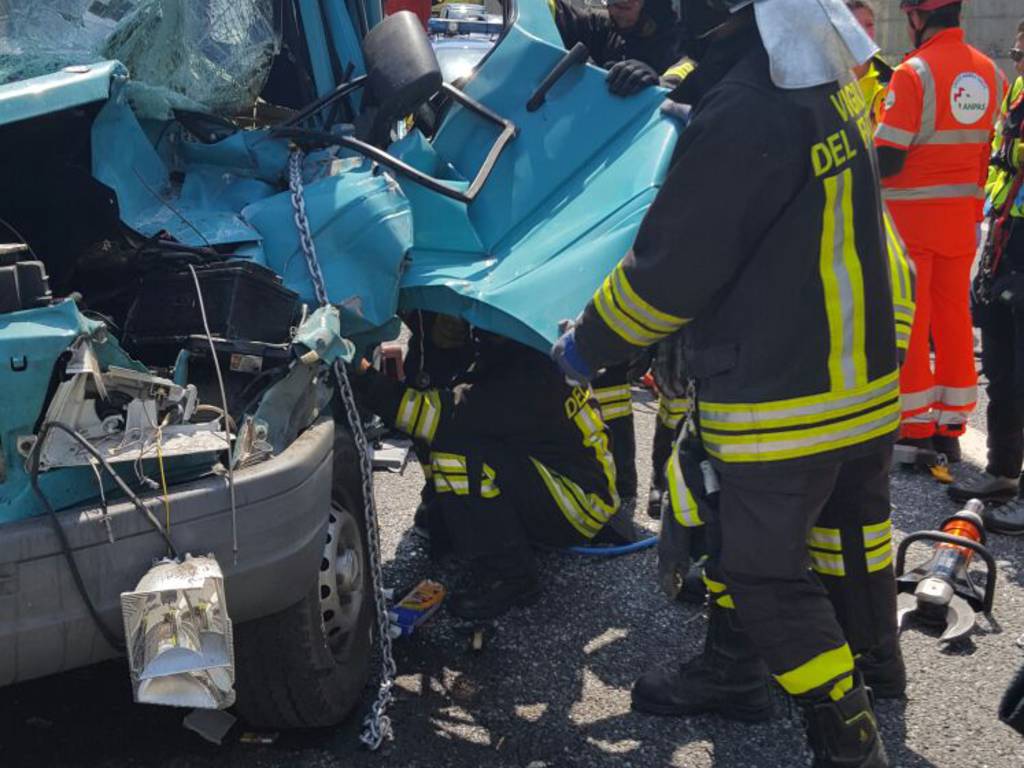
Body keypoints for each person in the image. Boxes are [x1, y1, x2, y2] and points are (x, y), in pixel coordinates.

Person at [552, 1, 900, 765]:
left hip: (788, 396)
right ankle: (800, 671)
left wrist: (585, 346)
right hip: (857, 379)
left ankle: (850, 738)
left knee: (763, 572)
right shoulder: (815, 79)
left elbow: (665, 280)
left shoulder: (746, 112)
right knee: (831, 538)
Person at [354, 331, 621, 619]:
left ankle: (512, 575)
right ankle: (496, 538)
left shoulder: (521, 378)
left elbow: (433, 417)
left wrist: (363, 376)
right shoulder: (537, 354)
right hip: (579, 485)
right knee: (472, 447)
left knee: (458, 457)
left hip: (579, 504)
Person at [874, 0, 1006, 466]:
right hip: (961, 220)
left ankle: (914, 425)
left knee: (911, 320)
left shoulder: (913, 74)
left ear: (916, 17)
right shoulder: (990, 73)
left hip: (909, 223)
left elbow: (888, 156)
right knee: (952, 320)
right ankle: (951, 422)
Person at [949, 21, 1024, 530]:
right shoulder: (1018, 87)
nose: (1018, 60)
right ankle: (1002, 470)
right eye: (1018, 52)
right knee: (1002, 366)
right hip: (1006, 238)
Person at [554, 0, 682, 96]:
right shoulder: (602, 25)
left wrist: (659, 85)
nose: (618, 11)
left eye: (627, 5)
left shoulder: (684, 45)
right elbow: (557, 10)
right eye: (615, 2)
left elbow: (688, 82)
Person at [846, 0, 893, 123]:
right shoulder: (823, 82)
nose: (864, 33)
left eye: (869, 25)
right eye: (855, 26)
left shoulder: (893, 79)